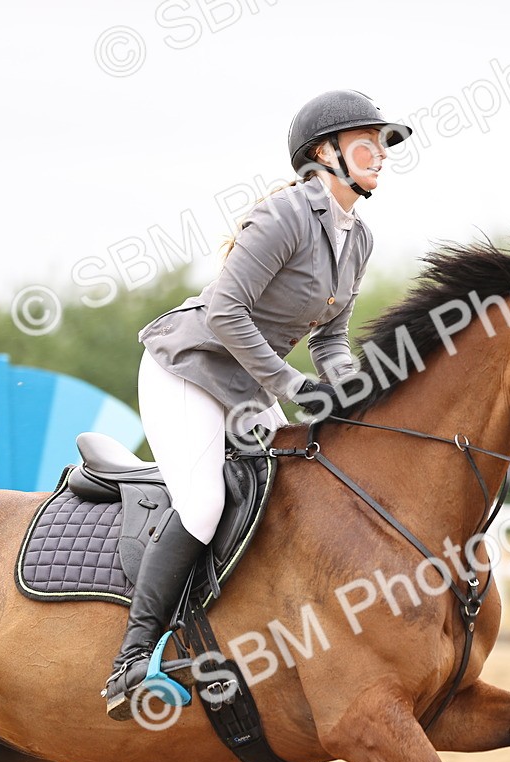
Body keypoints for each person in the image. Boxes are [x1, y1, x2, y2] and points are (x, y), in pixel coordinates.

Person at [103, 89, 413, 720]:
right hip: (188, 367)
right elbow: (224, 309)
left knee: (295, 486)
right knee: (206, 501)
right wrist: (290, 386)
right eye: (366, 141)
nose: (379, 153)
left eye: (383, 143)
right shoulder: (286, 216)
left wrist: (354, 395)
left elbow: (329, 340)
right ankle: (131, 660)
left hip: (248, 381)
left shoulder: (359, 239)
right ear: (323, 153)